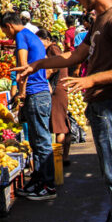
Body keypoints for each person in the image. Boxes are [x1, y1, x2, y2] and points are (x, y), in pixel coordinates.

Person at [13, 0, 112, 222]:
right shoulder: (98, 21)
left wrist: (91, 80)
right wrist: (38, 64)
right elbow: (75, 56)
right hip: (100, 105)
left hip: (109, 104)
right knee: (111, 173)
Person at [0, 13, 55, 201]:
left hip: (36, 94)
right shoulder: (32, 35)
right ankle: (38, 182)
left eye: (4, 31)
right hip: (40, 94)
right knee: (37, 142)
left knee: (42, 142)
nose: (6, 36)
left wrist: (21, 93)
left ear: (9, 26)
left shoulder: (21, 36)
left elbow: (23, 67)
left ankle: (48, 185)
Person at [36, 28, 71, 166]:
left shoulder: (52, 49)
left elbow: (54, 67)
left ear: (48, 40)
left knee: (58, 125)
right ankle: (64, 157)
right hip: (61, 88)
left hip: (57, 89)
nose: (40, 45)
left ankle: (59, 159)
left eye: (41, 42)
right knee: (62, 121)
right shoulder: (54, 48)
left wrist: (44, 79)